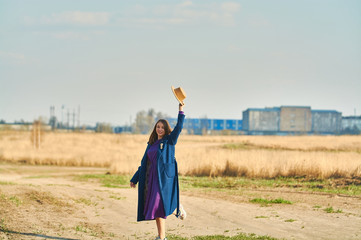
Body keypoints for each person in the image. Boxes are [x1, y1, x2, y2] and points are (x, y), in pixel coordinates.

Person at [130, 103, 186, 240]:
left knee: (157, 205)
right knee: (156, 208)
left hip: (164, 179)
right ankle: (162, 236)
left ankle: (174, 210)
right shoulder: (151, 144)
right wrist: (135, 178)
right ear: (155, 128)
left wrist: (181, 110)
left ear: (166, 129)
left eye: (162, 127)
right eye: (158, 127)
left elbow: (179, 127)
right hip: (152, 180)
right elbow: (143, 163)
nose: (159, 129)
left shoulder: (170, 140)